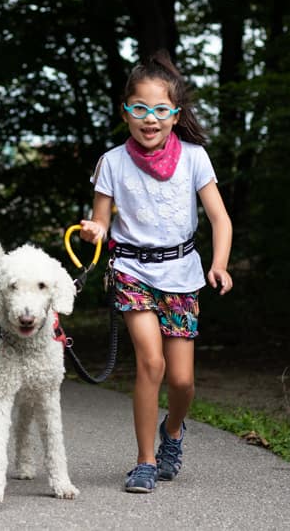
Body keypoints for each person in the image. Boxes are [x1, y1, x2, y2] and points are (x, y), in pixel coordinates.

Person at [80, 50, 233, 494]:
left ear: (175, 114)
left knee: (182, 380)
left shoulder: (194, 157)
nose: (151, 119)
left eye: (161, 110)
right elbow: (102, 222)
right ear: (126, 111)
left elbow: (220, 219)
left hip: (183, 274)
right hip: (131, 271)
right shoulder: (111, 162)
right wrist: (94, 231)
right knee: (151, 362)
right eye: (140, 109)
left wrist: (218, 264)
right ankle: (145, 461)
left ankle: (173, 433)